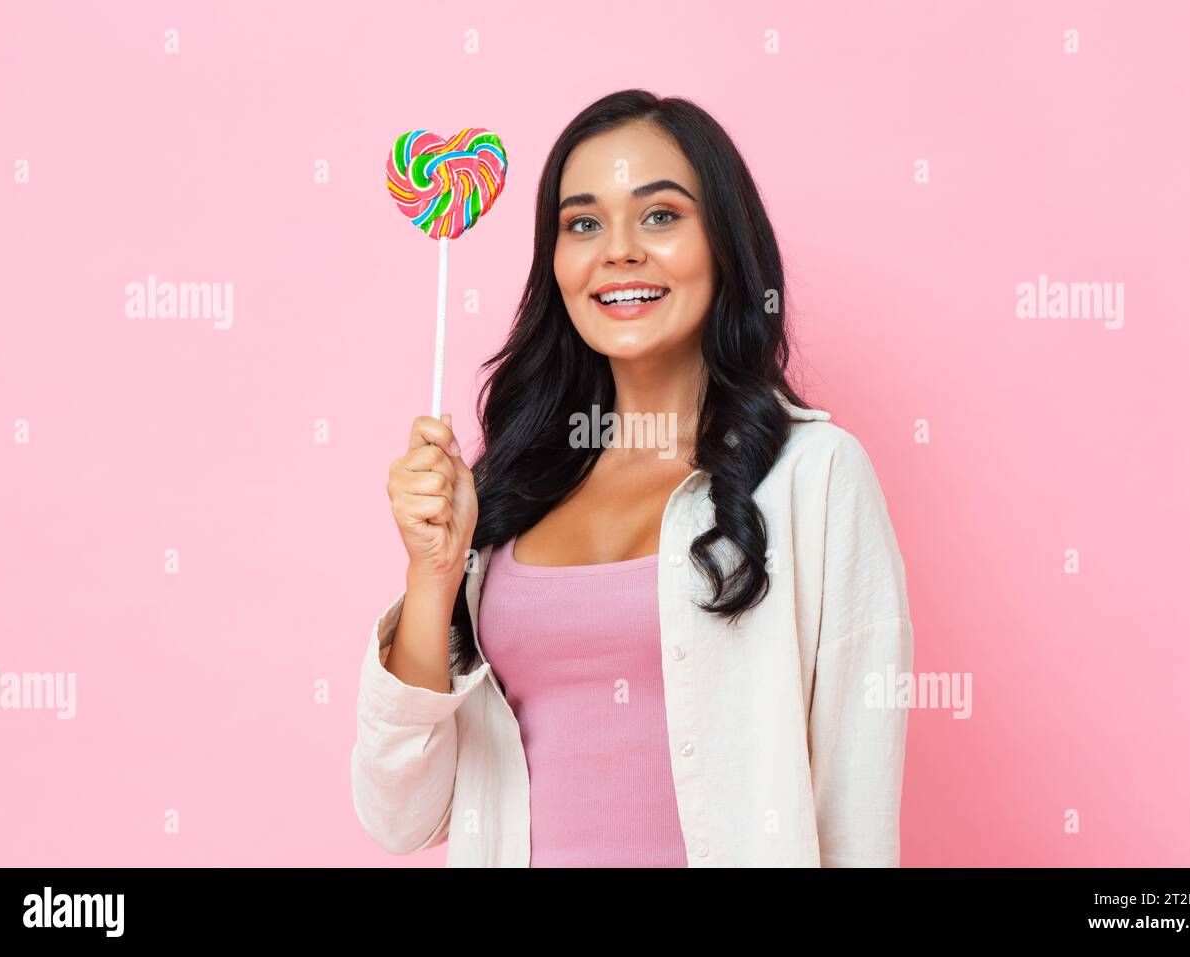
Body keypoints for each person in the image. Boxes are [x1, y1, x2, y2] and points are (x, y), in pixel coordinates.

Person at [352, 89, 914, 867]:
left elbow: (856, 801)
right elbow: (400, 815)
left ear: (725, 242)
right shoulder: (508, 495)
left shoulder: (814, 477)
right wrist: (433, 577)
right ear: (556, 263)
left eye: (659, 215)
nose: (618, 250)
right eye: (583, 223)